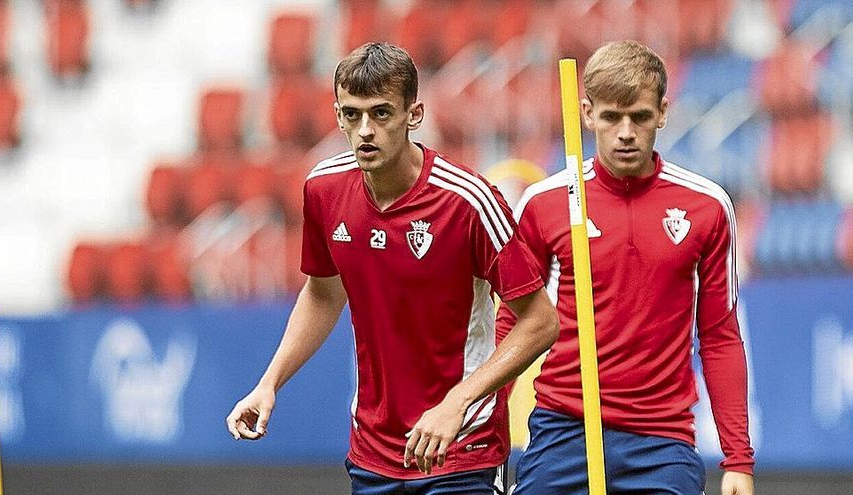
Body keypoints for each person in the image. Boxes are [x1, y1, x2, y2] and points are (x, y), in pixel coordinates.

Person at [226, 42, 558, 494]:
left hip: (462, 447)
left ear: (413, 115)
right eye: (352, 114)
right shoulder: (323, 189)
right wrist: (269, 384)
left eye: (381, 114)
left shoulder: (469, 201)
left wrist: (457, 403)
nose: (365, 130)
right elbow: (323, 293)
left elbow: (539, 323)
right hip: (373, 452)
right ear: (338, 115)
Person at [497, 40, 755, 495]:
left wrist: (738, 459)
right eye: (612, 116)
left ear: (663, 113)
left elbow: (719, 335)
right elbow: (512, 324)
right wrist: (488, 430)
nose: (625, 132)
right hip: (564, 431)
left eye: (639, 116)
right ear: (587, 113)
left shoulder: (707, 206)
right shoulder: (545, 203)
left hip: (662, 442)